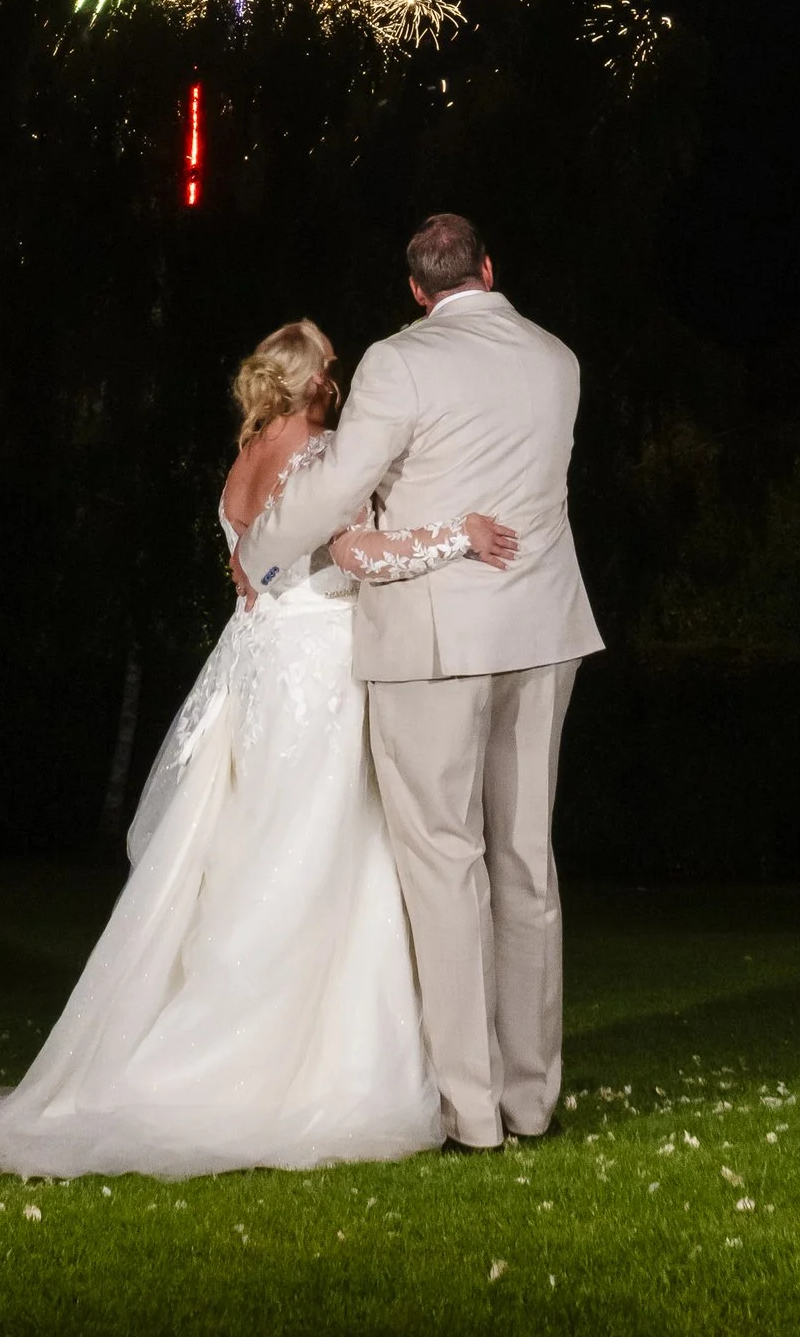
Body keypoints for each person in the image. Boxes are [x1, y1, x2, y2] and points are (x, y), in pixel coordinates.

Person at [0, 315, 516, 1180]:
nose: (342, 378)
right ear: (313, 384)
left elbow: (252, 567)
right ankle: (280, 1067)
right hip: (316, 673)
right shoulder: (323, 457)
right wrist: (457, 536)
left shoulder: (243, 462)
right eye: (333, 368)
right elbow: (358, 555)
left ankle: (217, 1042)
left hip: (255, 670)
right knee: (313, 859)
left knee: (248, 855)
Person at [237, 213, 601, 1153]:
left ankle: (470, 1110)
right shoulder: (558, 359)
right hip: (544, 629)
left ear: (416, 288)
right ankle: (532, 1100)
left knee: (445, 864)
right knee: (527, 864)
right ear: (489, 266)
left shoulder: (401, 363)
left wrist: (263, 549)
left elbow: (336, 485)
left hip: (437, 639)